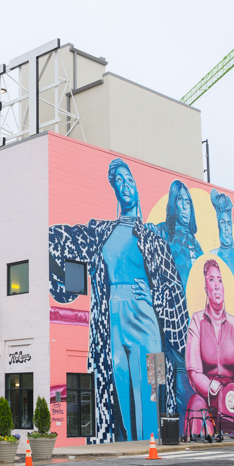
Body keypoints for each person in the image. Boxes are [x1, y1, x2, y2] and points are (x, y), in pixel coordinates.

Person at [49, 158, 189, 443]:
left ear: (138, 188)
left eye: (129, 181)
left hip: (146, 320)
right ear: (114, 190)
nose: (125, 186)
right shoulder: (100, 232)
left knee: (151, 391)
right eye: (119, 182)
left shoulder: (153, 237)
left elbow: (174, 287)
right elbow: (55, 237)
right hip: (113, 322)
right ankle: (134, 450)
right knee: (122, 396)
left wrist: (154, 295)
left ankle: (154, 448)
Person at [185, 260, 234, 437]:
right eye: (211, 280)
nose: (217, 286)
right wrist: (217, 392)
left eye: (219, 280)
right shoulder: (196, 322)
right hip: (208, 396)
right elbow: (194, 373)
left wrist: (233, 393)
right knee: (196, 408)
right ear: (206, 288)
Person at [208, 190, 234, 336]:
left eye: (228, 223)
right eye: (222, 223)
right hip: (220, 321)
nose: (226, 228)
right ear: (218, 226)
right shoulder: (212, 256)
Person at [155, 180, 203, 287]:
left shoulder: (195, 245)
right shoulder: (161, 230)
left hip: (188, 302)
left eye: (187, 202)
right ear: (173, 202)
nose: (185, 207)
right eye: (180, 200)